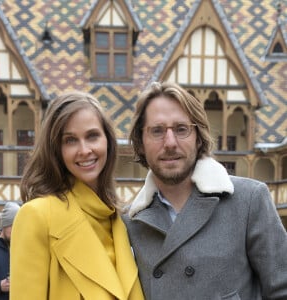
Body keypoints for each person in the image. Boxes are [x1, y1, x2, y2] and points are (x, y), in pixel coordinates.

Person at [123, 81, 287, 300]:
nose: (170, 142)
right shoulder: (130, 223)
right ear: (141, 142)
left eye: (181, 129)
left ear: (198, 138)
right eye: (157, 131)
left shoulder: (249, 201)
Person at [10, 91, 144, 300]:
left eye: (92, 136)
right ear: (56, 150)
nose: (84, 150)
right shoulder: (37, 216)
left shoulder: (119, 219)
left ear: (107, 141)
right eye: (70, 140)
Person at [0, 201, 20, 300]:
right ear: (4, 224)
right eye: (12, 225)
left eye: (19, 226)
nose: (16, 230)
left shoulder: (23, 249)